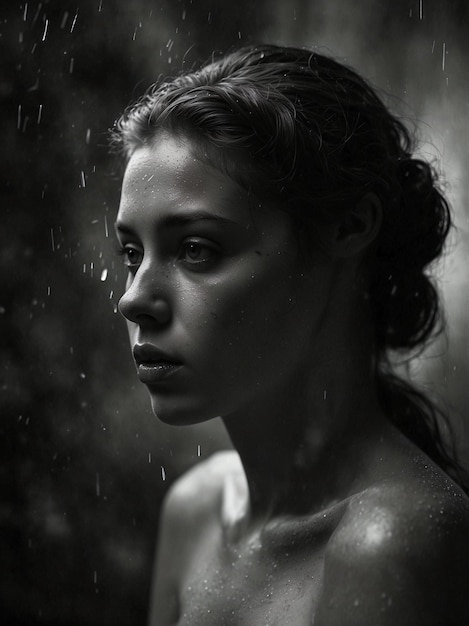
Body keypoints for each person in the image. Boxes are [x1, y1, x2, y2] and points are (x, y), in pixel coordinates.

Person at [112, 44, 469, 625]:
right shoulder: (196, 510)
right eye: (132, 254)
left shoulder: (388, 545)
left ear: (350, 226)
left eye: (196, 248)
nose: (133, 299)